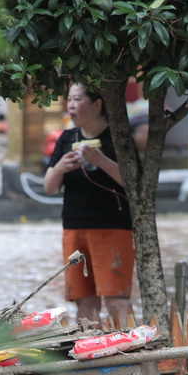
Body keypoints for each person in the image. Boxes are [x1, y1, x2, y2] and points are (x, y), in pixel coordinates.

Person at [44, 82, 133, 325]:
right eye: (69, 100)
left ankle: (124, 351)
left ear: (97, 104)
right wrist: (61, 167)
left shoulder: (117, 137)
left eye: (77, 100)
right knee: (83, 299)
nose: (71, 106)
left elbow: (134, 184)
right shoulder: (66, 138)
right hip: (74, 226)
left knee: (116, 298)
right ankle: (88, 350)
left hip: (113, 226)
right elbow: (49, 187)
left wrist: (101, 160)